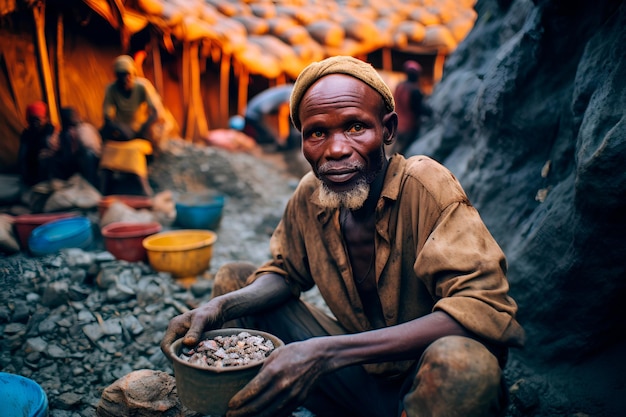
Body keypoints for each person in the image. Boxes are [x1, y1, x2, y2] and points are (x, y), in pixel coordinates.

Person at [161, 56, 525, 417]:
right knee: (234, 282)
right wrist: (219, 307)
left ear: (388, 130)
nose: (335, 149)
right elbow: (285, 271)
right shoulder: (309, 195)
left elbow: (480, 310)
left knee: (464, 365)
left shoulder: (425, 186)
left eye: (355, 127)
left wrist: (325, 353)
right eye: (317, 132)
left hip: (424, 383)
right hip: (355, 381)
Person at [100, 55, 158, 143]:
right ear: (116, 76)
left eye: (128, 74)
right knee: (103, 134)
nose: (125, 79)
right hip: (121, 129)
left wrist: (141, 130)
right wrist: (121, 128)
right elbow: (107, 118)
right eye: (121, 75)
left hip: (142, 128)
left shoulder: (143, 86)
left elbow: (155, 112)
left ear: (134, 74)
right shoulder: (111, 89)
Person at [242, 84, 300, 150]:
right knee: (269, 137)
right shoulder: (291, 95)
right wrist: (280, 136)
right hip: (253, 114)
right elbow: (281, 116)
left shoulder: (290, 90)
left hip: (252, 110)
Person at [56, 107, 102, 189]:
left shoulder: (85, 128)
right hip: (74, 160)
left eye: (74, 115)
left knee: (88, 156)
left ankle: (90, 187)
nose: (75, 117)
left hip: (92, 159)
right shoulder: (64, 133)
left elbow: (91, 146)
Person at [17, 101, 59, 187]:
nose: (34, 123)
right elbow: (22, 154)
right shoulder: (27, 132)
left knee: (44, 157)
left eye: (37, 119)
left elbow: (52, 149)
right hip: (33, 165)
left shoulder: (51, 130)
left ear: (45, 118)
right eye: (31, 120)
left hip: (50, 164)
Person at [391, 60, 428, 154]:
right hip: (409, 127)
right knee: (404, 152)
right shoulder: (414, 90)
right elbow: (418, 109)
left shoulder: (400, 86)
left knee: (395, 150)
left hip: (398, 124)